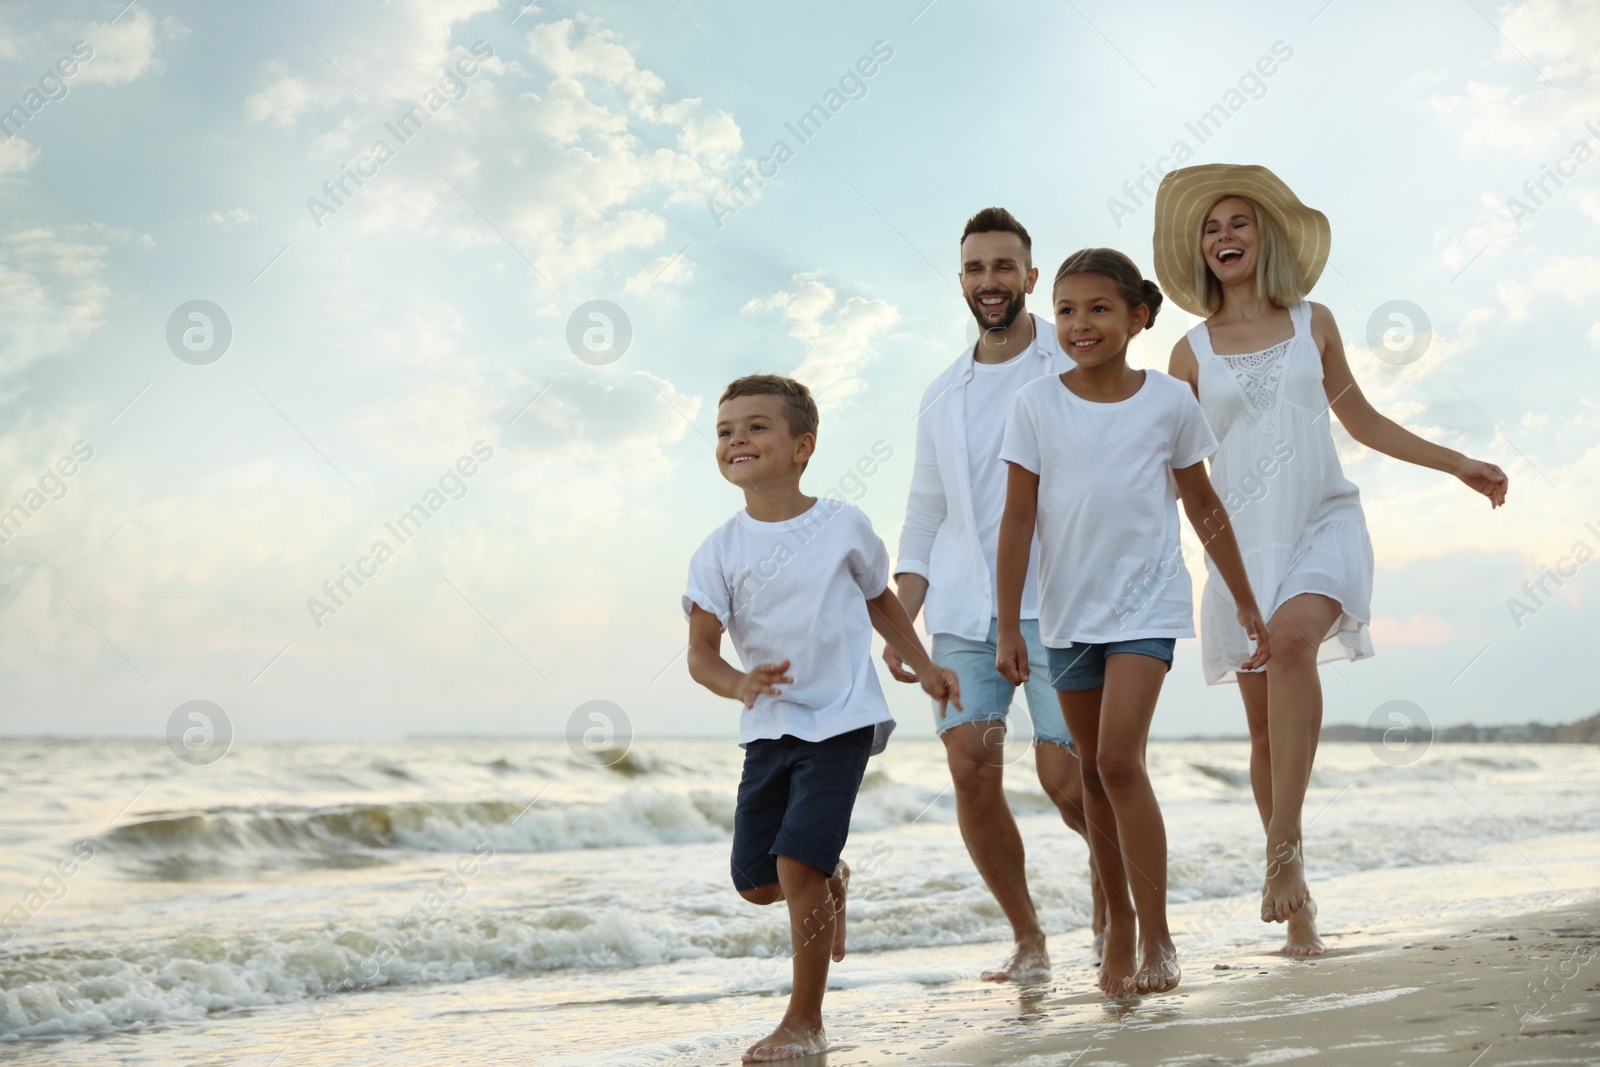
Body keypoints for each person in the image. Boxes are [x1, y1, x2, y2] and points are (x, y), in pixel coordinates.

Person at [1152, 163, 1509, 956]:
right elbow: (1172, 474)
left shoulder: (1314, 321)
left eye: (1237, 222)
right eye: (1210, 228)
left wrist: (1457, 462)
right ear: (1199, 251)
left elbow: (1366, 421)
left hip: (1322, 522)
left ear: (1264, 234)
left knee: (1290, 642)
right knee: (1263, 737)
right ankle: (1299, 903)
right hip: (1239, 549)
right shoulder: (1188, 354)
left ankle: (1278, 860)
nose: (1224, 237)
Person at [995, 248, 1271, 997]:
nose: (1080, 324)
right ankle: (1115, 920)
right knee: (1088, 773)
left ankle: (1156, 934)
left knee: (1118, 759)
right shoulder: (1036, 406)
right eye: (1067, 310)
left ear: (1136, 317)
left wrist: (1244, 596)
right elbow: (1017, 520)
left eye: (1098, 309)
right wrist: (1006, 624)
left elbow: (1204, 505)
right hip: (1065, 614)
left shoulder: (1168, 402)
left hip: (1147, 605)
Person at [684, 374, 960, 1062]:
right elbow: (699, 653)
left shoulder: (842, 524)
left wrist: (921, 665)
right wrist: (737, 681)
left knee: (794, 863)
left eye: (755, 426)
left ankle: (804, 1021)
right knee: (758, 881)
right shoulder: (717, 549)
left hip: (841, 719)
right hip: (768, 729)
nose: (736, 439)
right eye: (724, 430)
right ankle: (830, 875)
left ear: (802, 445)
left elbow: (880, 601)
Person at [889, 207, 1103, 982]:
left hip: (1063, 604)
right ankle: (1028, 935)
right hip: (960, 612)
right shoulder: (942, 392)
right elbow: (924, 513)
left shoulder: (1071, 359)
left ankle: (1112, 885)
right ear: (961, 281)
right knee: (971, 766)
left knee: (1069, 780)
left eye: (1004, 267)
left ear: (1031, 278)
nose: (990, 282)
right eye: (977, 269)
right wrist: (903, 614)